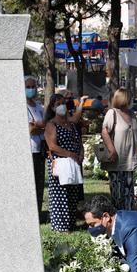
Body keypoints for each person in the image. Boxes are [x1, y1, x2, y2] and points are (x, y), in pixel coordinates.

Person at [44, 94, 84, 232]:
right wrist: (70, 154)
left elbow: (77, 140)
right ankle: (60, 226)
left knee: (72, 194)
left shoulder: (70, 123)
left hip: (73, 163)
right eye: (58, 104)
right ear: (53, 107)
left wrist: (80, 154)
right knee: (60, 195)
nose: (62, 106)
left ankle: (71, 224)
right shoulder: (51, 124)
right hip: (60, 163)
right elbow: (52, 146)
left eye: (63, 103)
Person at [101, 88, 137, 210]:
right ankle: (118, 217)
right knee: (118, 193)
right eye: (130, 97)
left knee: (129, 192)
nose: (132, 99)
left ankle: (129, 215)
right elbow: (105, 132)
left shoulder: (132, 114)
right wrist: (111, 149)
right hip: (116, 161)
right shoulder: (112, 113)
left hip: (130, 160)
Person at [25, 76, 45, 215]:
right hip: (29, 149)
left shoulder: (38, 107)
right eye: (28, 87)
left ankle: (38, 211)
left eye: (33, 86)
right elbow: (29, 129)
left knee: (39, 182)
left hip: (40, 149)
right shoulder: (21, 107)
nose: (31, 89)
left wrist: (36, 125)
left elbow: (46, 125)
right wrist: (39, 126)